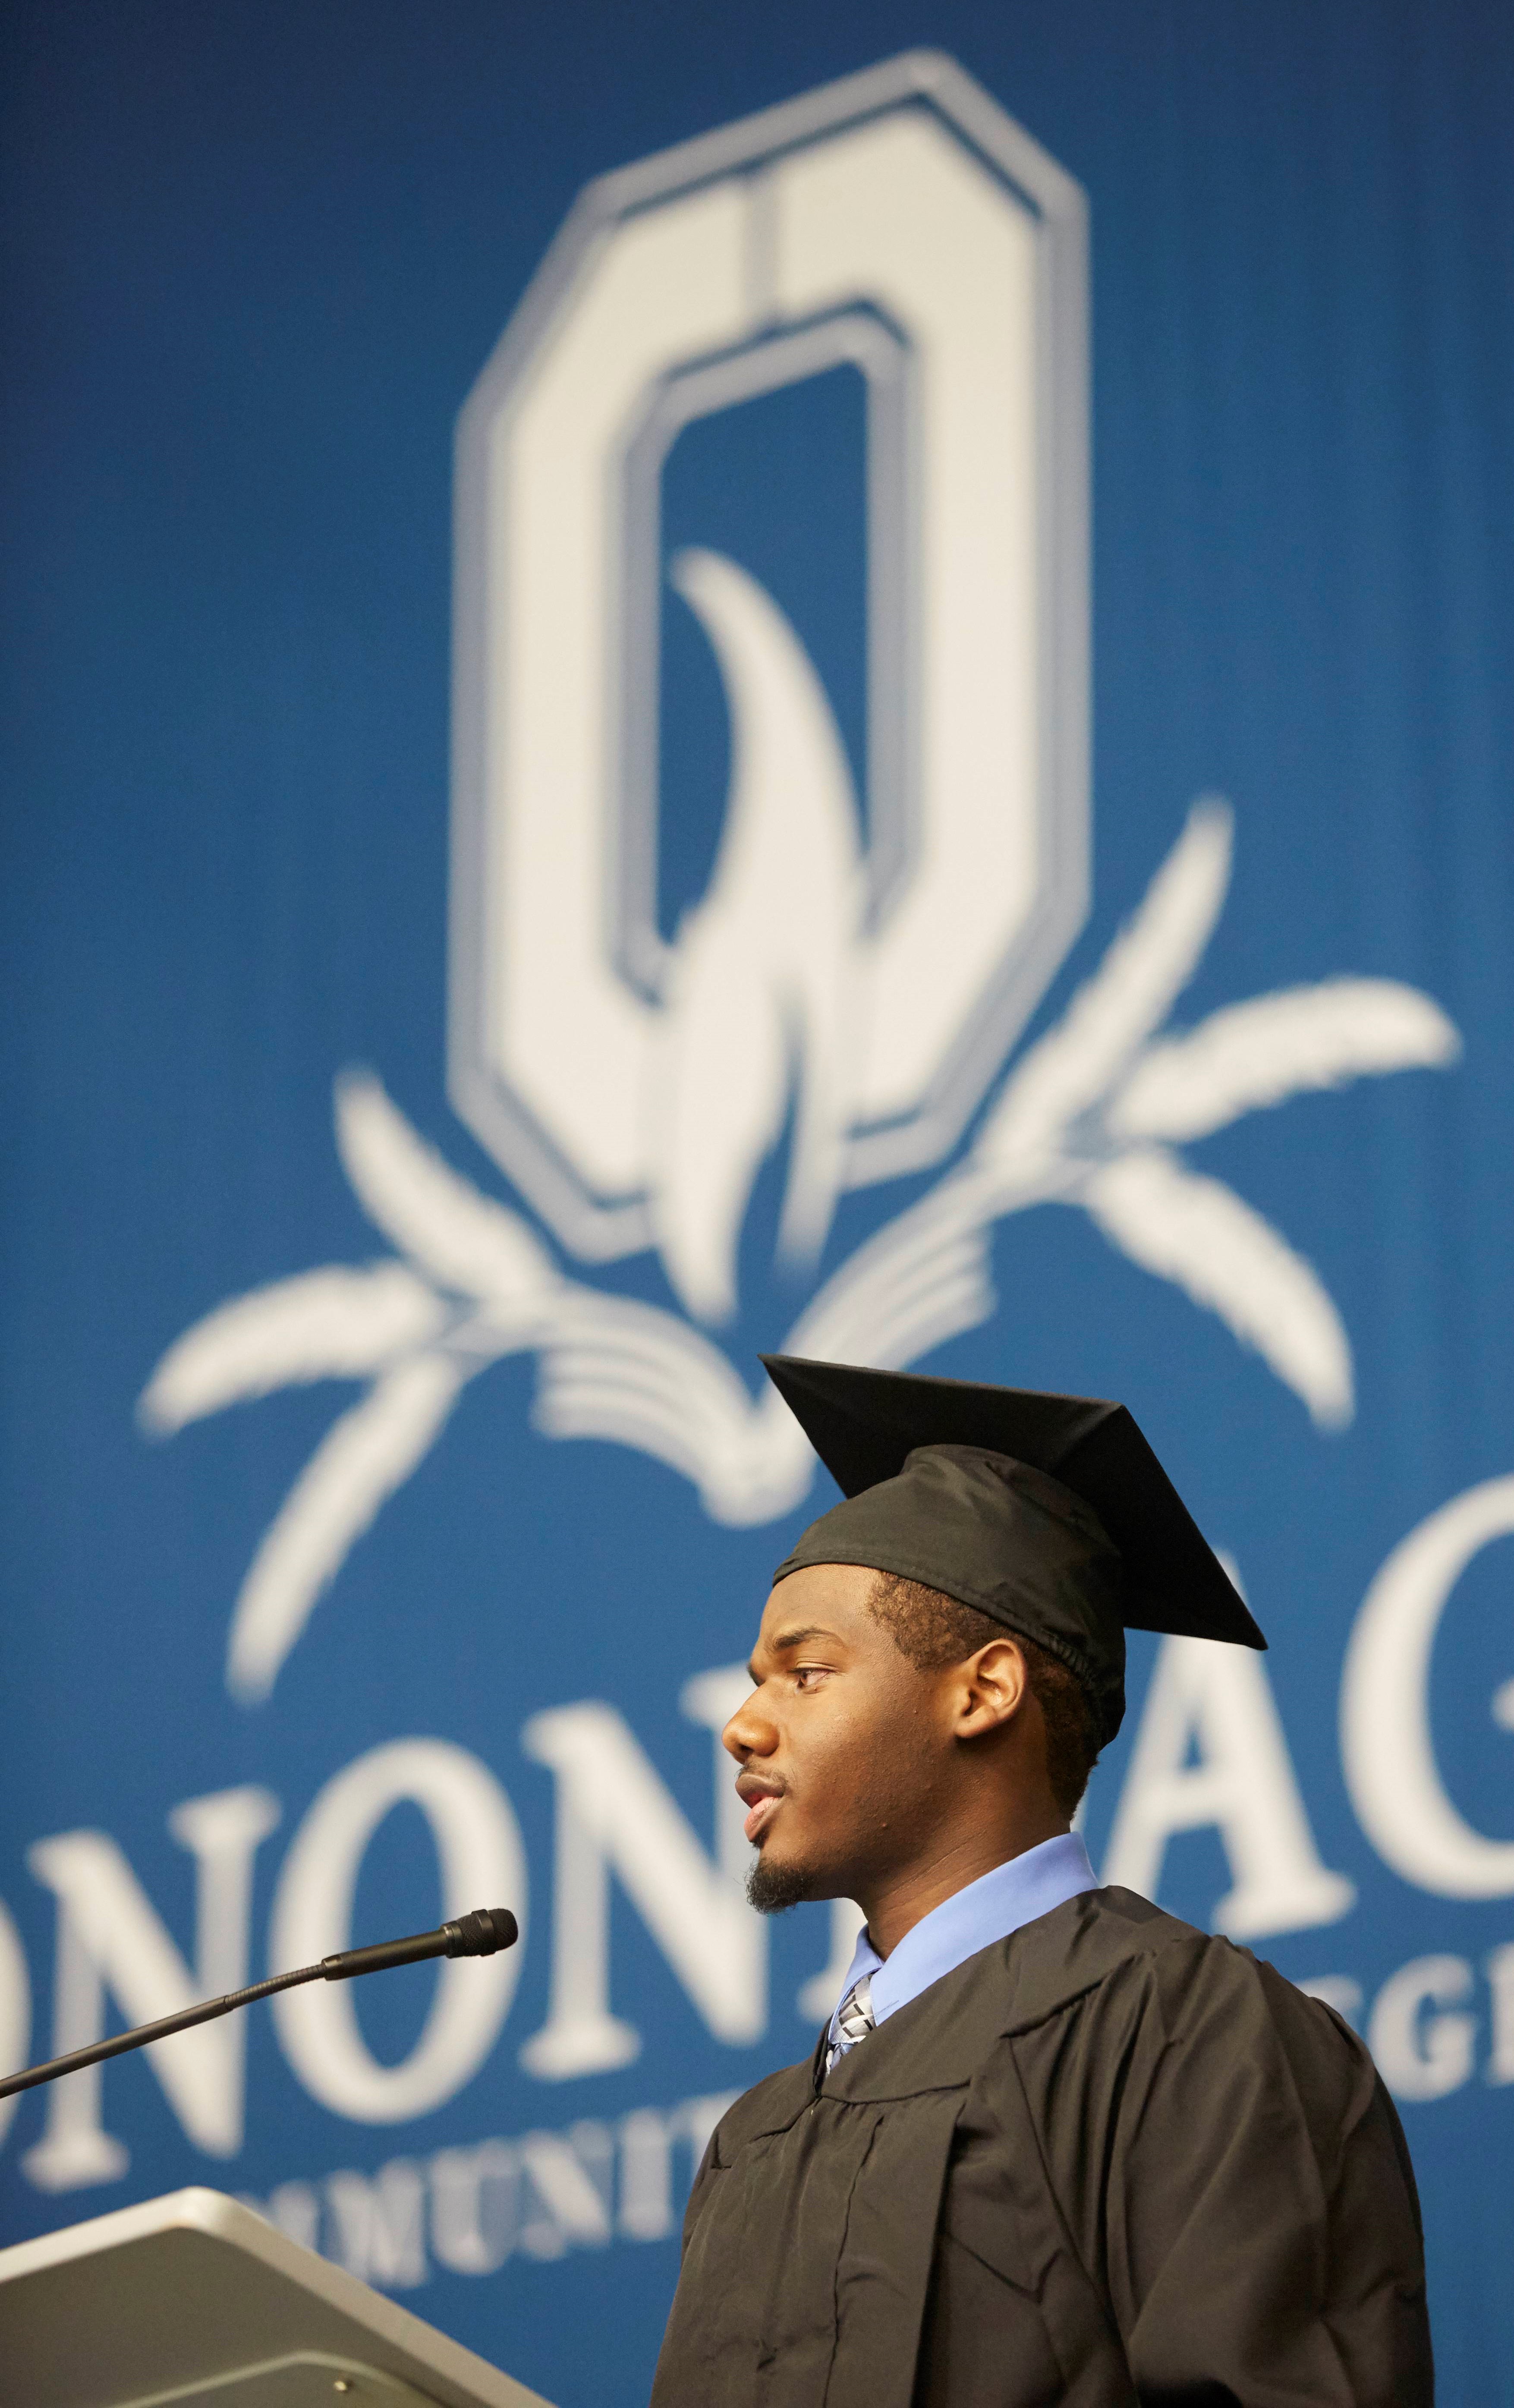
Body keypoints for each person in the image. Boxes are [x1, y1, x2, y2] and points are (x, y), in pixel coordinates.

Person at [650, 1354, 1432, 2408]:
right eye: (756, 1683)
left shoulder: (1187, 2031)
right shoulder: (755, 2141)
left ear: (984, 1692)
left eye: (807, 1672)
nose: (743, 1725)